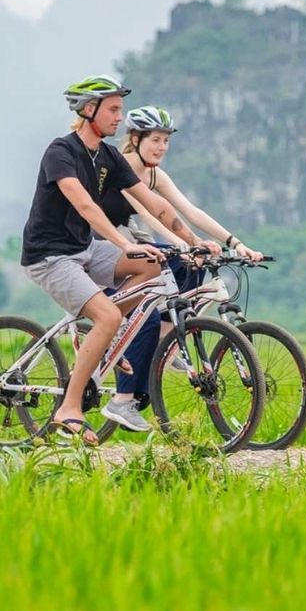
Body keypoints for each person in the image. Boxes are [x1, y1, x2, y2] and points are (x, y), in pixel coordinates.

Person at [20, 75, 185, 444]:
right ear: (88, 110)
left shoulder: (108, 155)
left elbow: (152, 201)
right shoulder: (60, 152)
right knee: (109, 314)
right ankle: (69, 409)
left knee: (153, 265)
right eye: (113, 110)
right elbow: (85, 206)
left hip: (85, 249)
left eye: (120, 110)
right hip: (49, 255)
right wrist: (124, 245)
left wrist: (191, 242)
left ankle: (108, 338)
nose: (118, 118)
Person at [101, 105, 264, 406]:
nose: (162, 147)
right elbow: (150, 215)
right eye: (155, 140)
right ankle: (154, 343)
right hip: (107, 248)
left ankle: (169, 339)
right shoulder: (119, 168)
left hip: (134, 245)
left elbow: (189, 211)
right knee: (177, 261)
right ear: (135, 139)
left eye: (166, 141)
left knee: (193, 265)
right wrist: (184, 244)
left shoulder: (154, 175)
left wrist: (234, 242)